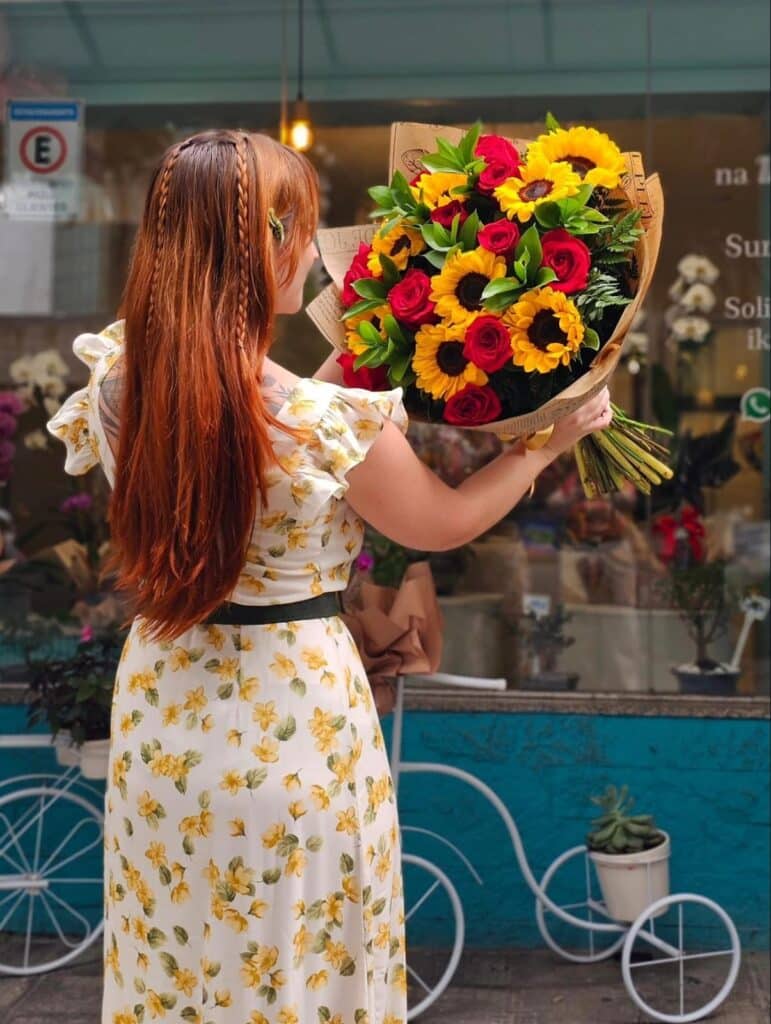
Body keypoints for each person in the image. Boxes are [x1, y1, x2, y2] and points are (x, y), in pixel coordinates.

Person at [46, 128, 612, 1024]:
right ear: (261, 246)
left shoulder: (121, 382)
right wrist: (547, 445)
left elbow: (258, 418)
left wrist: (362, 350)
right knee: (297, 963)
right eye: (303, 229)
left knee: (177, 957)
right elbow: (439, 520)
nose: (313, 252)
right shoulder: (315, 419)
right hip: (292, 720)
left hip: (165, 718)